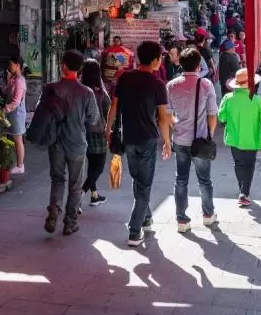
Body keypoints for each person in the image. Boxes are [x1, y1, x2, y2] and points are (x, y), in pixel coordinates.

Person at [105, 40, 172, 247]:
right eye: (159, 58)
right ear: (153, 60)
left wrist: (108, 129)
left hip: (128, 138)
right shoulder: (158, 85)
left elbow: (114, 106)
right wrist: (167, 141)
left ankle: (147, 218)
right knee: (144, 185)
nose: (160, 61)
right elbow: (162, 118)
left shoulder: (125, 77)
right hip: (148, 139)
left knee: (138, 180)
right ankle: (134, 232)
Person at [36, 51, 100, 235]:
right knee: (75, 184)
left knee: (57, 178)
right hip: (77, 142)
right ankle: (70, 223)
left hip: (55, 141)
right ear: (79, 69)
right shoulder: (86, 92)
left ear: (62, 65)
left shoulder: (51, 88)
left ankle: (54, 209)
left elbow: (42, 111)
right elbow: (93, 118)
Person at [165, 48, 220, 232]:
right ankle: (208, 215)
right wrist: (210, 135)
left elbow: (169, 116)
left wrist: (177, 126)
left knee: (181, 180)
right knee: (204, 180)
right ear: (198, 66)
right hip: (200, 141)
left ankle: (181, 220)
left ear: (180, 64)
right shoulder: (205, 85)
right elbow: (213, 115)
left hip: (180, 140)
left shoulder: (171, 85)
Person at [218, 68, 261, 208]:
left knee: (238, 164)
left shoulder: (228, 98)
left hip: (233, 137)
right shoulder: (256, 99)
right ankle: (244, 193)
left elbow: (221, 117)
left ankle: (242, 190)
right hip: (251, 138)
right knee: (249, 165)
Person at [79, 59, 112, 207]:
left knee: (91, 166)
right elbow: (108, 110)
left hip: (82, 132)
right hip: (98, 132)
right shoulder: (100, 92)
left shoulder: (80, 89)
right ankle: (81, 193)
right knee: (98, 168)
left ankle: (94, 195)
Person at [3, 55, 27, 175]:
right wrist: (8, 80)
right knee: (9, 138)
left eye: (11, 64)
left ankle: (20, 165)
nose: (9, 67)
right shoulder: (13, 80)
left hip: (16, 113)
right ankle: (11, 163)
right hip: (10, 113)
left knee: (18, 139)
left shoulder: (20, 82)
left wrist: (6, 109)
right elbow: (6, 93)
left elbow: (16, 101)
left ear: (17, 65)